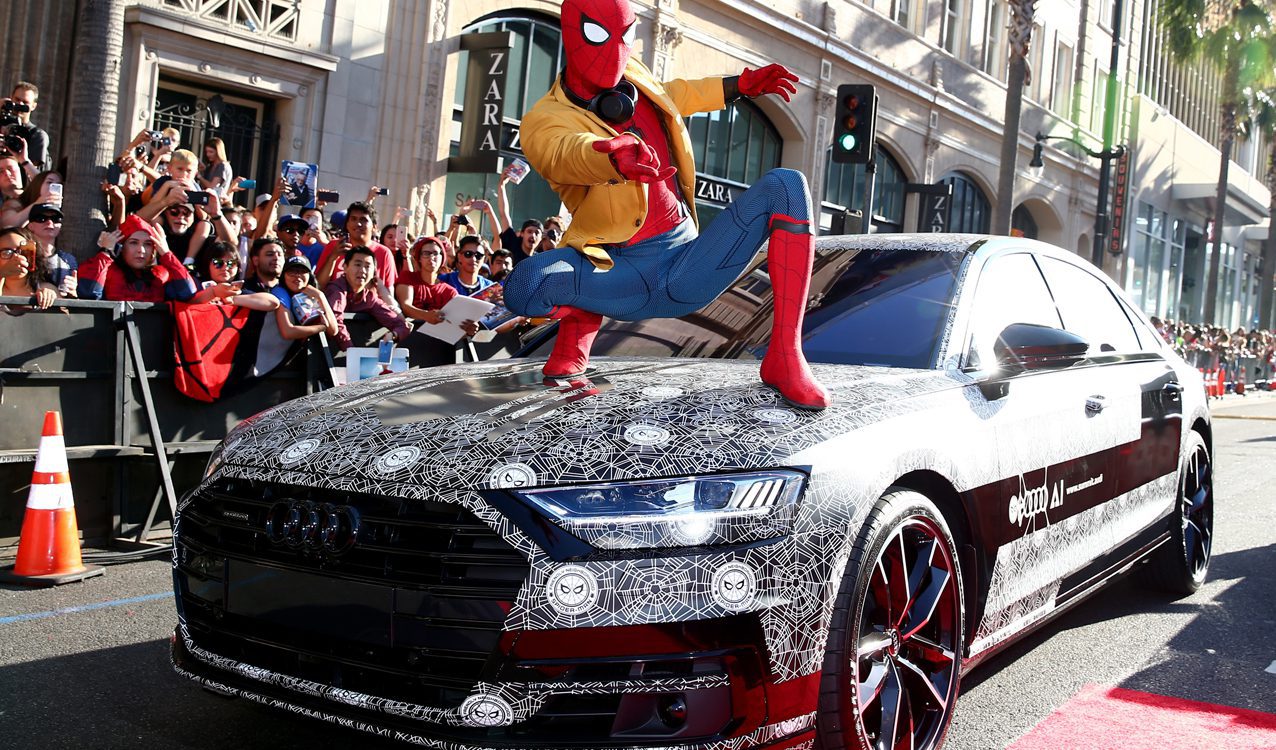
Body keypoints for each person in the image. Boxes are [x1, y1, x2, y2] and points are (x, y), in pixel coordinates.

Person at [503, 0, 826, 409]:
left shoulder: (634, 77)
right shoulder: (545, 118)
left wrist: (737, 86)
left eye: (626, 35)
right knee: (526, 286)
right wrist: (609, 155)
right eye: (599, 35)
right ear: (571, 34)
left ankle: (784, 356)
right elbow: (563, 151)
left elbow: (672, 96)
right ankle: (575, 335)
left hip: (687, 266)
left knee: (787, 185)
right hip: (616, 273)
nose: (616, 51)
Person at [396, 236, 477, 367]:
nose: (431, 257)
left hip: (439, 357)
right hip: (408, 351)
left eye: (435, 253)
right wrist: (427, 316)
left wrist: (468, 329)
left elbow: (453, 326)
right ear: (419, 258)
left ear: (442, 258)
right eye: (426, 253)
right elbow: (406, 307)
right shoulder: (408, 277)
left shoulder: (449, 291)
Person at [78, 215, 197, 302]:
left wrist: (166, 254)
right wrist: (105, 253)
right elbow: (88, 293)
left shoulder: (162, 275)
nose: (141, 250)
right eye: (134, 243)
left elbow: (188, 292)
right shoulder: (107, 271)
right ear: (121, 246)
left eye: (148, 244)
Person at [323, 246, 410, 351]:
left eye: (368, 266)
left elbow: (401, 325)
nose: (362, 270)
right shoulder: (336, 289)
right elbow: (335, 320)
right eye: (358, 265)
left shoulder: (369, 297)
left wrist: (394, 335)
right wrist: (352, 352)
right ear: (345, 267)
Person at [315, 202, 397, 300]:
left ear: (374, 226)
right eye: (353, 219)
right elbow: (319, 285)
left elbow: (388, 291)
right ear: (347, 224)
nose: (358, 224)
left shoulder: (384, 253)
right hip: (335, 305)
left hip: (369, 310)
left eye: (363, 220)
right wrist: (333, 257)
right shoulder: (334, 246)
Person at [189, 241, 280, 310]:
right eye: (218, 263)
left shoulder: (240, 289)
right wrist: (214, 292)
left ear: (238, 267)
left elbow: (273, 302)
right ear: (207, 265)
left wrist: (231, 298)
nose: (225, 267)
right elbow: (188, 302)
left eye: (231, 263)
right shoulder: (195, 284)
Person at [274, 255, 338, 341]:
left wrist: (320, 296)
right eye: (292, 272)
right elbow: (288, 332)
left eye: (303, 271)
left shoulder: (315, 296)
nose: (297, 276)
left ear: (310, 276)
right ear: (283, 275)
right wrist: (321, 327)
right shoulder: (280, 292)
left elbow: (333, 330)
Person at [25, 203, 77, 298]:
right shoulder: (23, 256)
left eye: (55, 219)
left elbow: (71, 298)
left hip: (57, 310)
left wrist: (73, 291)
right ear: (30, 226)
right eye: (41, 219)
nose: (49, 223)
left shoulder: (68, 259)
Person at [0, 226, 56, 312]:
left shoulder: (45, 288)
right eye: (7, 252)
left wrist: (53, 300)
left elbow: (69, 320)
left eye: (23, 251)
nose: (16, 257)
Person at [5, 82, 50, 174]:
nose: (20, 104)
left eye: (25, 102)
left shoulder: (37, 135)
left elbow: (33, 174)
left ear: (33, 106)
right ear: (11, 98)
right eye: (17, 99)